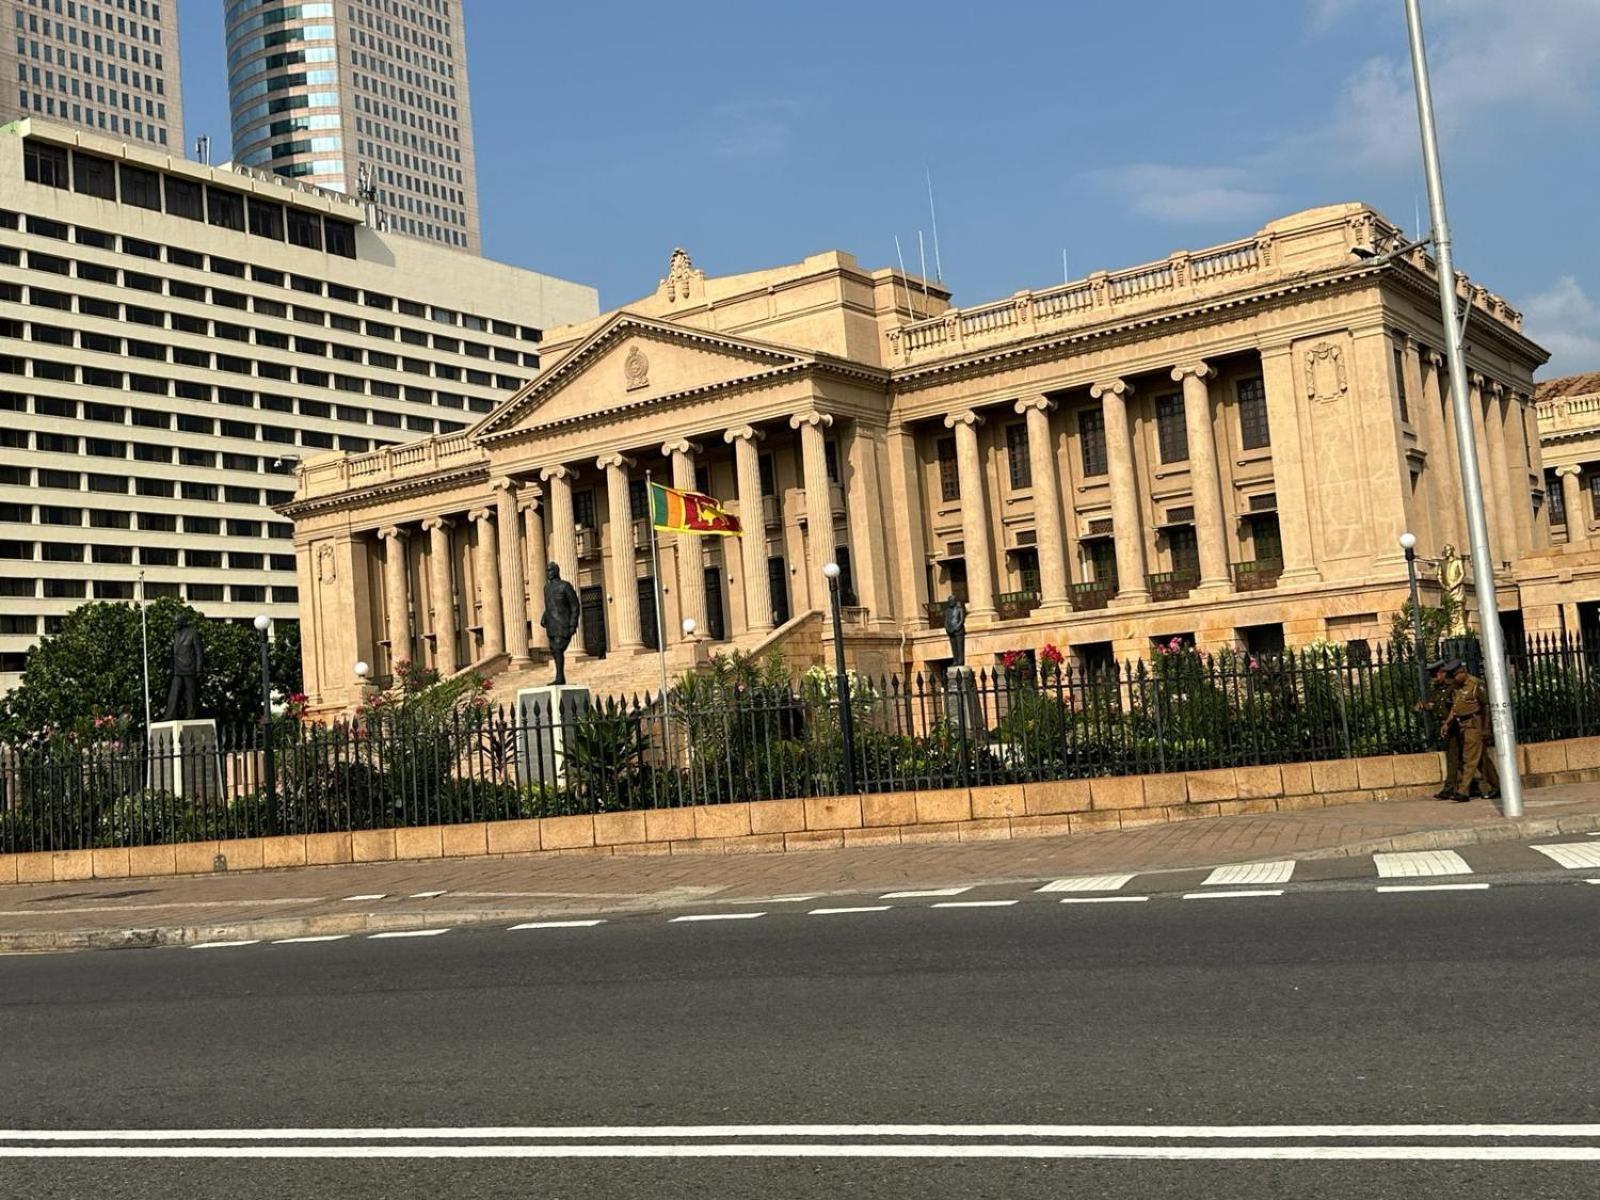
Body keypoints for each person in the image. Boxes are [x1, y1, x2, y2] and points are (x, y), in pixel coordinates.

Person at [1442, 661, 1501, 802]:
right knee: (1481, 760)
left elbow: (1485, 706)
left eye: (1455, 675)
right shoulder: (1456, 687)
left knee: (1468, 758)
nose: (1453, 678)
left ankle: (1463, 791)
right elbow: (1455, 708)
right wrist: (1447, 723)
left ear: (1462, 671)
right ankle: (1498, 786)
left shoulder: (1475, 684)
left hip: (1475, 725)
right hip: (1463, 725)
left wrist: (1486, 728)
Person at [1416, 658, 1462, 800]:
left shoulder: (1453, 686)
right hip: (1448, 727)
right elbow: (1435, 704)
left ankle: (1453, 787)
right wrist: (1424, 706)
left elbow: (1456, 707)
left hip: (1456, 725)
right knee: (1454, 757)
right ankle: (1467, 785)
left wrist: (1447, 723)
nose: (1433, 678)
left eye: (1434, 675)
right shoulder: (1438, 689)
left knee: (1458, 757)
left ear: (1442, 673)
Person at [540, 562, 581, 686]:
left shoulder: (565, 586)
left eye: (551, 570)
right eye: (547, 571)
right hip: (552, 625)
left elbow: (574, 605)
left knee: (557, 649)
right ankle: (560, 677)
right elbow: (549, 605)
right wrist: (544, 616)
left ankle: (559, 677)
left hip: (563, 625)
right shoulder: (546, 588)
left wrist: (572, 624)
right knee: (554, 650)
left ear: (556, 571)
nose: (548, 573)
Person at [162, 614, 205, 722]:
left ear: (182, 622)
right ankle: (170, 714)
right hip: (178, 669)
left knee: (190, 693)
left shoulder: (193, 633)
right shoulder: (176, 634)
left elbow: (199, 652)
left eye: (176, 622)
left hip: (189, 668)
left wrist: (199, 669)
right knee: (174, 692)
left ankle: (191, 714)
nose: (174, 624)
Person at [942, 595, 967, 667]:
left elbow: (962, 620)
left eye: (952, 601)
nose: (950, 602)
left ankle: (960, 661)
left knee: (960, 647)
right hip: (950, 631)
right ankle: (955, 660)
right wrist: (947, 628)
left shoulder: (960, 609)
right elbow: (946, 621)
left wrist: (956, 628)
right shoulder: (947, 611)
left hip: (959, 631)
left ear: (955, 602)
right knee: (954, 647)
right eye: (949, 601)